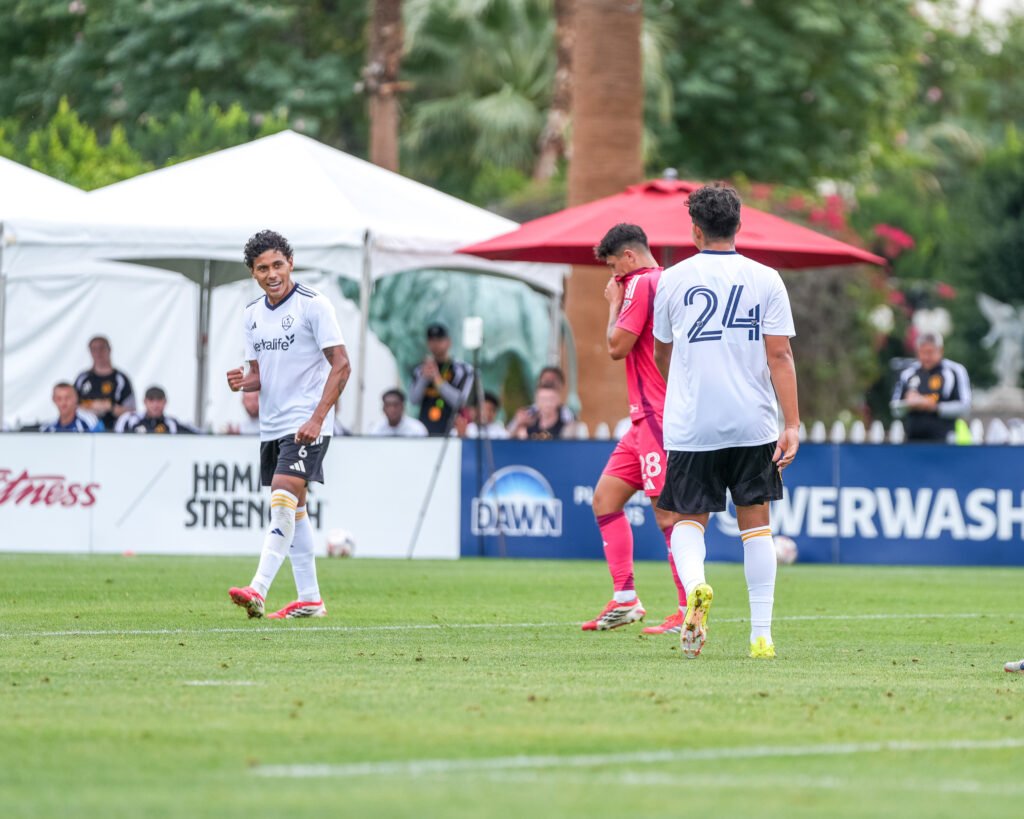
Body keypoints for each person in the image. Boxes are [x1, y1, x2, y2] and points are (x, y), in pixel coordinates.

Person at [653, 183, 800, 660]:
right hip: (752, 422)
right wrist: (792, 424)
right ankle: (762, 635)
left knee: (686, 518)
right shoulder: (766, 278)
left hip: (693, 423)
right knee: (756, 526)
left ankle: (696, 586)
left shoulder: (672, 279)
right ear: (739, 226)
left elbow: (661, 351)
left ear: (695, 230)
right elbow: (780, 355)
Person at [226, 229, 351, 620]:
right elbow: (260, 376)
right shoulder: (251, 315)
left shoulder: (315, 305)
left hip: (306, 424)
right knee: (295, 510)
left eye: (278, 264)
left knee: (281, 496)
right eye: (262, 268)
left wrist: (317, 417)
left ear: (290, 263)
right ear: (253, 273)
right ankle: (311, 598)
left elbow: (342, 365)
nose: (272, 274)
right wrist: (243, 381)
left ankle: (257, 589)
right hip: (273, 426)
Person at [581, 223, 689, 634]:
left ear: (629, 256)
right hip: (642, 416)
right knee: (606, 499)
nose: (614, 279)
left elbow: (616, 347)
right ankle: (626, 599)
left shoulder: (642, 283)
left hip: (657, 414)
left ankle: (685, 609)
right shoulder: (660, 281)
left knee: (667, 514)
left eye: (614, 268)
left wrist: (613, 303)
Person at [890, 333, 972, 442]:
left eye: (930, 352)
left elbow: (965, 406)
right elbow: (895, 409)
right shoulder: (908, 373)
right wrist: (909, 404)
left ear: (940, 350)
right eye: (922, 352)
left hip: (945, 440)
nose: (926, 357)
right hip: (913, 440)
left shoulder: (955, 371)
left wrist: (934, 407)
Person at [409, 323, 474, 436]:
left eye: (439, 340)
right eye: (432, 340)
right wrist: (424, 378)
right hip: (425, 429)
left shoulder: (463, 369)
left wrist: (437, 379)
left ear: (448, 342)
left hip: (453, 430)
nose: (435, 344)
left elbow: (461, 402)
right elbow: (413, 400)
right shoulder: (420, 370)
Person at [73, 335, 136, 430]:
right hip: (84, 430)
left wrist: (110, 407)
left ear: (109, 350)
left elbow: (132, 412)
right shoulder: (82, 378)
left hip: (113, 432)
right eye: (94, 349)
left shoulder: (121, 379)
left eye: (102, 348)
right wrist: (91, 406)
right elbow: (69, 406)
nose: (98, 353)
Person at [507, 365, 576, 438]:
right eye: (543, 399)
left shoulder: (567, 417)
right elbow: (506, 438)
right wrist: (518, 425)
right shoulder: (527, 414)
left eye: (551, 399)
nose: (547, 403)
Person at [115, 386, 197, 433]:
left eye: (159, 400)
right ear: (145, 402)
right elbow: (116, 440)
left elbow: (196, 434)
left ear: (165, 402)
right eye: (151, 400)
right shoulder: (129, 420)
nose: (155, 405)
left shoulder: (172, 423)